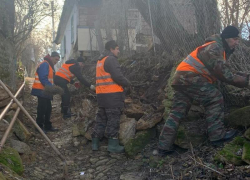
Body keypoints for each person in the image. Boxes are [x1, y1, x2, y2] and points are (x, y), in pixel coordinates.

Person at [158, 25, 250, 156]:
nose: (237, 42)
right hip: (189, 78)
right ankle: (217, 136)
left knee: (177, 112)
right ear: (228, 38)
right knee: (215, 98)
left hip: (181, 79)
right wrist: (246, 82)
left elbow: (227, 70)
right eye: (235, 39)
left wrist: (245, 76)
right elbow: (224, 74)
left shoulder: (217, 48)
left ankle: (163, 147)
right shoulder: (214, 47)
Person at [91, 40, 131, 153]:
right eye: (117, 48)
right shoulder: (111, 59)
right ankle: (113, 145)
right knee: (113, 119)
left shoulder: (100, 60)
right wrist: (128, 83)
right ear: (111, 49)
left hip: (101, 95)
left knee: (101, 119)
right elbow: (117, 76)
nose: (118, 51)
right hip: (112, 96)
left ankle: (95, 142)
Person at [31, 52, 60, 133]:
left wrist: (52, 87)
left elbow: (49, 79)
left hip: (45, 91)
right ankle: (39, 127)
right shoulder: (45, 64)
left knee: (48, 109)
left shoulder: (49, 65)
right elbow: (43, 78)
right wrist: (52, 88)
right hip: (41, 90)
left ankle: (47, 126)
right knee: (42, 109)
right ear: (51, 57)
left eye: (58, 60)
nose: (56, 61)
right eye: (56, 59)